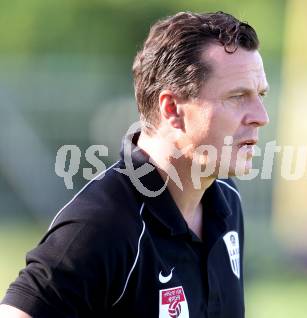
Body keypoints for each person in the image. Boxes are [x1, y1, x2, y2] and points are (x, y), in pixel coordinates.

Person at [0, 11, 269, 318]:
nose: (261, 116)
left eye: (260, 95)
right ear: (172, 109)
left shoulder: (226, 202)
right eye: (237, 97)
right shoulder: (101, 225)